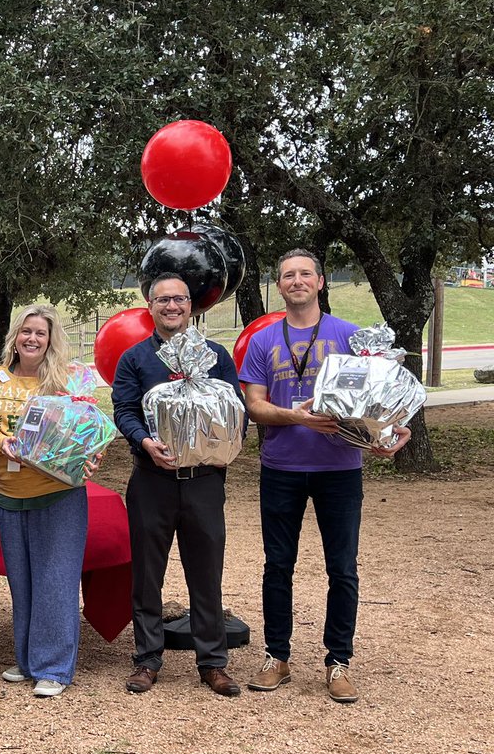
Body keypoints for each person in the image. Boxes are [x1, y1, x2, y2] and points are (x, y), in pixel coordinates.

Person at [239, 249, 410, 703]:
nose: (296, 281)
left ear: (319, 282)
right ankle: (277, 657)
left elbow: (381, 400)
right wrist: (293, 417)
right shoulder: (262, 340)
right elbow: (253, 404)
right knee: (278, 566)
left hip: (339, 470)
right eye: (287, 275)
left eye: (304, 274)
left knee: (342, 568)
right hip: (281, 468)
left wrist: (395, 429)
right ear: (280, 285)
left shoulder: (350, 336)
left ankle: (339, 661)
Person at [111, 272, 245, 698]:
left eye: (180, 299)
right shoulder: (135, 359)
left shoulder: (216, 356)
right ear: (150, 305)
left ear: (192, 305)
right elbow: (125, 410)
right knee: (147, 574)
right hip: (152, 481)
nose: (172, 307)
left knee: (206, 574)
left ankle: (212, 662)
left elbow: (233, 409)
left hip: (204, 482)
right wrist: (146, 442)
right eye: (163, 300)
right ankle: (147, 659)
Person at [0, 305, 99, 698]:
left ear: (50, 341)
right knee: (23, 581)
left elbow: (86, 430)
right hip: (9, 495)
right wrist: (1, 444)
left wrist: (91, 455)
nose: (32, 339)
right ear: (15, 337)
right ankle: (29, 659)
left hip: (58, 494)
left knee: (57, 581)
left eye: (40, 334)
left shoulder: (63, 382)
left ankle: (54, 668)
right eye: (26, 331)